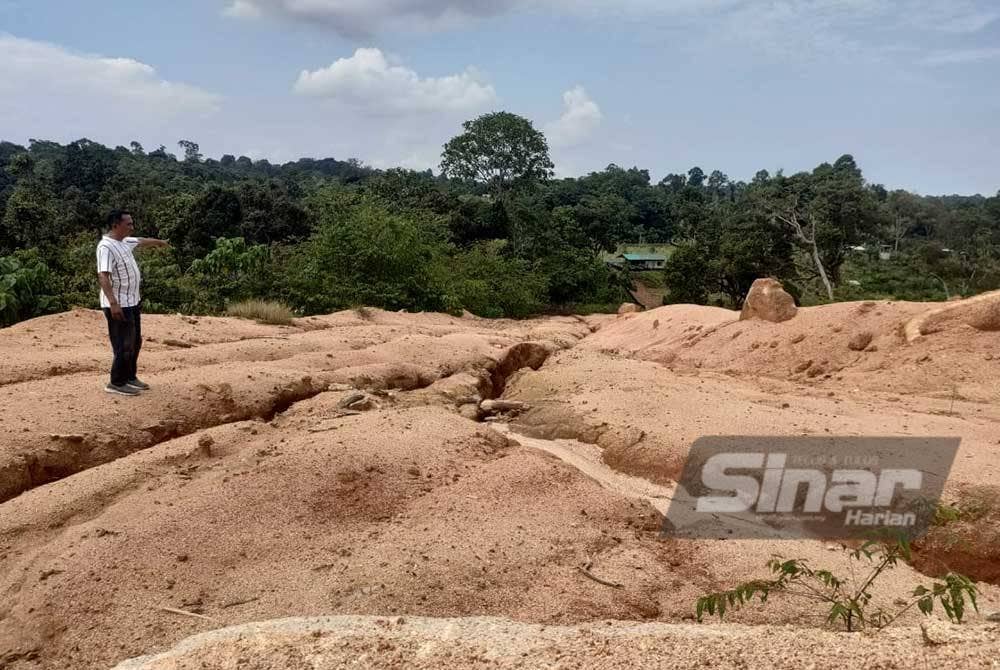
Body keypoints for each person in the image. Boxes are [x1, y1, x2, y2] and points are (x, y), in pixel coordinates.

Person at [96, 210, 169, 396]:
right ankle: (116, 382)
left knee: (135, 341)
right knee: (123, 344)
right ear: (115, 225)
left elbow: (142, 240)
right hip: (119, 304)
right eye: (128, 224)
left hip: (132, 301)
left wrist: (160, 243)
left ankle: (130, 377)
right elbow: (103, 275)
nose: (132, 227)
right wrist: (113, 303)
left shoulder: (125, 242)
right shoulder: (106, 247)